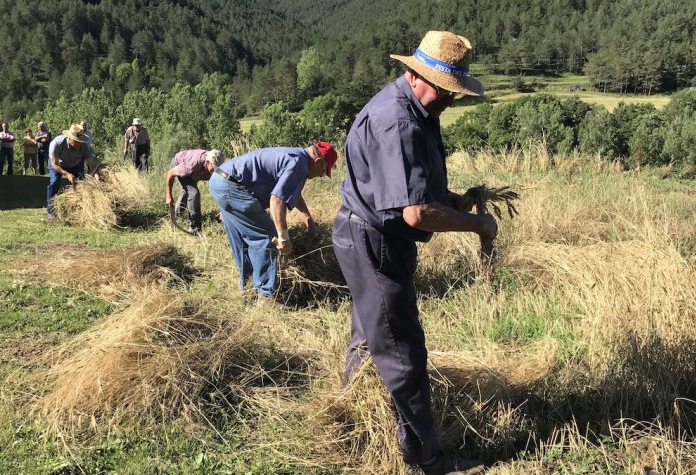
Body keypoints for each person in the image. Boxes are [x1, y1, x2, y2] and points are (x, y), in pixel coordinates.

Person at [332, 31, 497, 475]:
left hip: (366, 235)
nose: (451, 101)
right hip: (374, 242)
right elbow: (416, 213)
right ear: (420, 76)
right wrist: (478, 224)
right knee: (402, 351)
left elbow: (418, 189)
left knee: (370, 334)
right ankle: (428, 458)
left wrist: (455, 202)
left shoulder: (415, 107)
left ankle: (352, 422)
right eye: (448, 92)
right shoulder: (399, 122)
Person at [208, 142, 337, 307]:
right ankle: (265, 295)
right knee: (267, 236)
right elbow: (277, 199)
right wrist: (283, 238)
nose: (320, 176)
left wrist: (309, 222)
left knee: (242, 240)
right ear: (318, 162)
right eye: (323, 172)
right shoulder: (299, 164)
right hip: (233, 186)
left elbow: (292, 193)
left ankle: (248, 289)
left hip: (219, 180)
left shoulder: (295, 156)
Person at [45, 123, 99, 220]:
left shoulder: (84, 146)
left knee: (81, 183)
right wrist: (67, 174)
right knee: (54, 182)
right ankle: (51, 211)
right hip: (58, 164)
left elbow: (92, 165)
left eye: (81, 141)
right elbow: (54, 164)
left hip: (74, 164)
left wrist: (97, 180)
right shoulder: (57, 143)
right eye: (77, 141)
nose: (79, 143)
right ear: (70, 138)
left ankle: (79, 208)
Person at [165, 149, 223, 236]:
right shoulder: (191, 165)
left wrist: (222, 210)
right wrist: (168, 195)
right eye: (214, 168)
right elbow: (170, 173)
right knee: (193, 193)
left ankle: (175, 218)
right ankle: (195, 229)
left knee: (187, 191)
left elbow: (223, 186)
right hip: (180, 163)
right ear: (208, 162)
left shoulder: (219, 168)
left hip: (194, 172)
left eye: (217, 168)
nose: (215, 171)